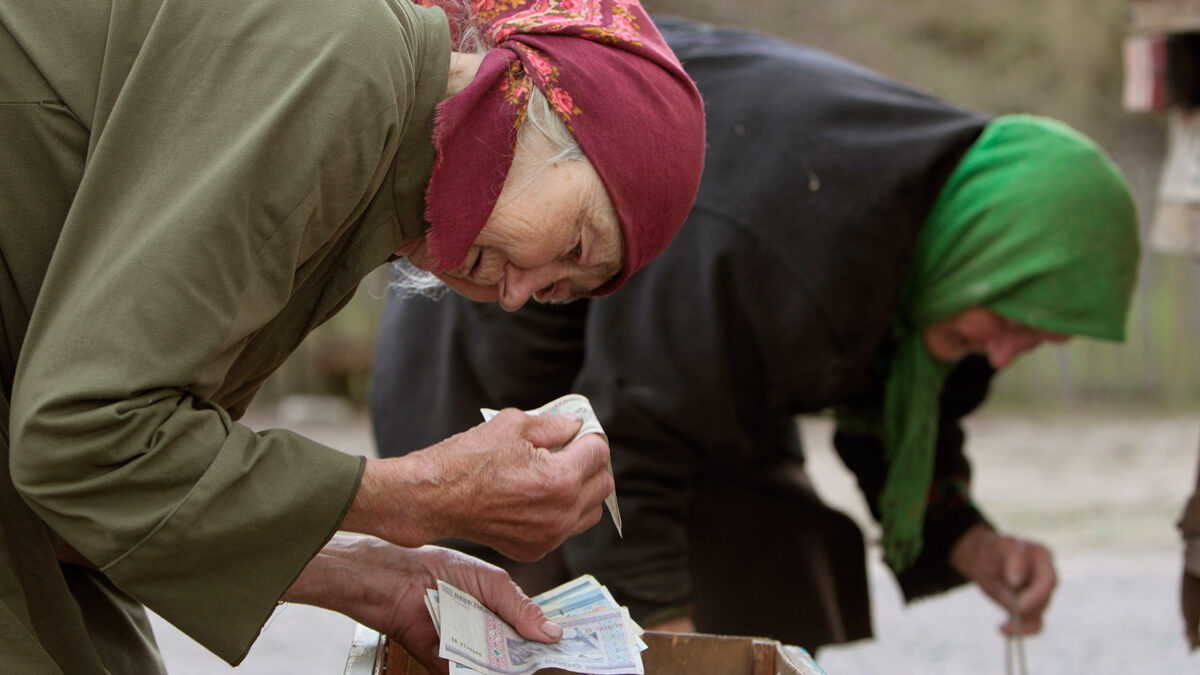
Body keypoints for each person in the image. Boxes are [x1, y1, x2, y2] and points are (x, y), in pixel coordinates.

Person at [369, 17, 1141, 652]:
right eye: (1006, 324)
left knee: (784, 570)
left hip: (677, 366)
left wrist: (967, 537)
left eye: (1031, 343)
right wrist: (670, 640)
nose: (1003, 353)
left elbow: (898, 394)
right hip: (500, 336)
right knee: (539, 633)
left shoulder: (940, 242)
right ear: (985, 257)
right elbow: (634, 439)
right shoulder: (793, 242)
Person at [0, 0, 704, 672]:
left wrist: (374, 576)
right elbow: (83, 445)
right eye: (574, 244)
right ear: (529, 97)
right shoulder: (347, 63)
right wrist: (421, 493)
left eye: (558, 291)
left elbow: (102, 502)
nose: (517, 294)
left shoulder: (366, 184)